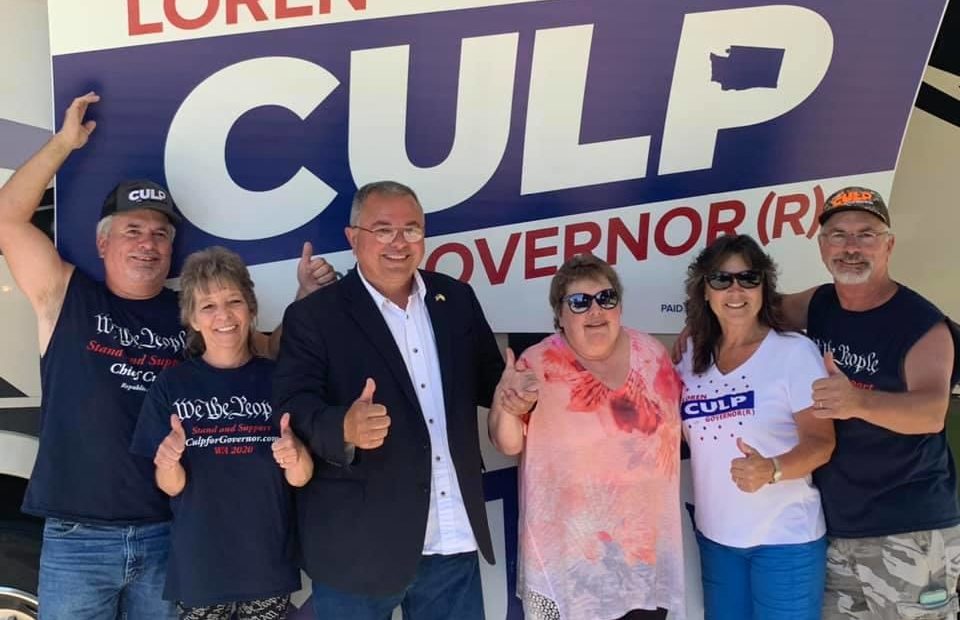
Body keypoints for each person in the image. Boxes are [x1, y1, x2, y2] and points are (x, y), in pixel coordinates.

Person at [0, 92, 334, 619]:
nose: (147, 243)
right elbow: (8, 219)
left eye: (160, 234)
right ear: (103, 242)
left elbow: (266, 352)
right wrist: (63, 144)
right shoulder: (67, 296)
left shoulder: (196, 312)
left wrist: (304, 303)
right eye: (132, 230)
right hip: (79, 539)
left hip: (166, 535)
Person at [273, 180, 506, 620]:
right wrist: (343, 426)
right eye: (383, 230)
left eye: (411, 229)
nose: (399, 243)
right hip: (356, 550)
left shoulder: (455, 298)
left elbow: (490, 383)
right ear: (352, 237)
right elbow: (291, 407)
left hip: (451, 539)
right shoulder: (314, 315)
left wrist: (514, 393)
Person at [780, 187, 960, 619]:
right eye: (838, 235)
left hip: (911, 528)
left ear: (889, 244)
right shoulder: (819, 303)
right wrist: (699, 327)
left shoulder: (921, 323)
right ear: (822, 246)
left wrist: (856, 401)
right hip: (837, 527)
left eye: (866, 234)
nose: (851, 247)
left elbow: (931, 414)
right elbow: (751, 309)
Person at [488, 253, 685, 620]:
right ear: (560, 316)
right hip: (570, 565)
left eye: (606, 298)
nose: (595, 311)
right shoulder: (537, 364)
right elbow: (508, 443)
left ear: (619, 306)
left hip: (643, 558)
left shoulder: (653, 356)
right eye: (579, 302)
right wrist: (506, 404)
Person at [130, 246, 313, 620]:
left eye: (233, 301)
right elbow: (170, 486)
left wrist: (295, 456)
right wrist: (167, 460)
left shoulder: (280, 379)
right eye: (207, 306)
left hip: (266, 565)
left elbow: (302, 476)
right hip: (199, 570)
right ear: (193, 319)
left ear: (250, 308)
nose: (223, 315)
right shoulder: (172, 385)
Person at [676, 234, 835, 620]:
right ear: (705, 290)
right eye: (721, 280)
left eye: (748, 279)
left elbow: (822, 443)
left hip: (785, 541)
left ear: (764, 288)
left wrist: (773, 469)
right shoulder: (689, 356)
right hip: (716, 540)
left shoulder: (793, 351)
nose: (736, 290)